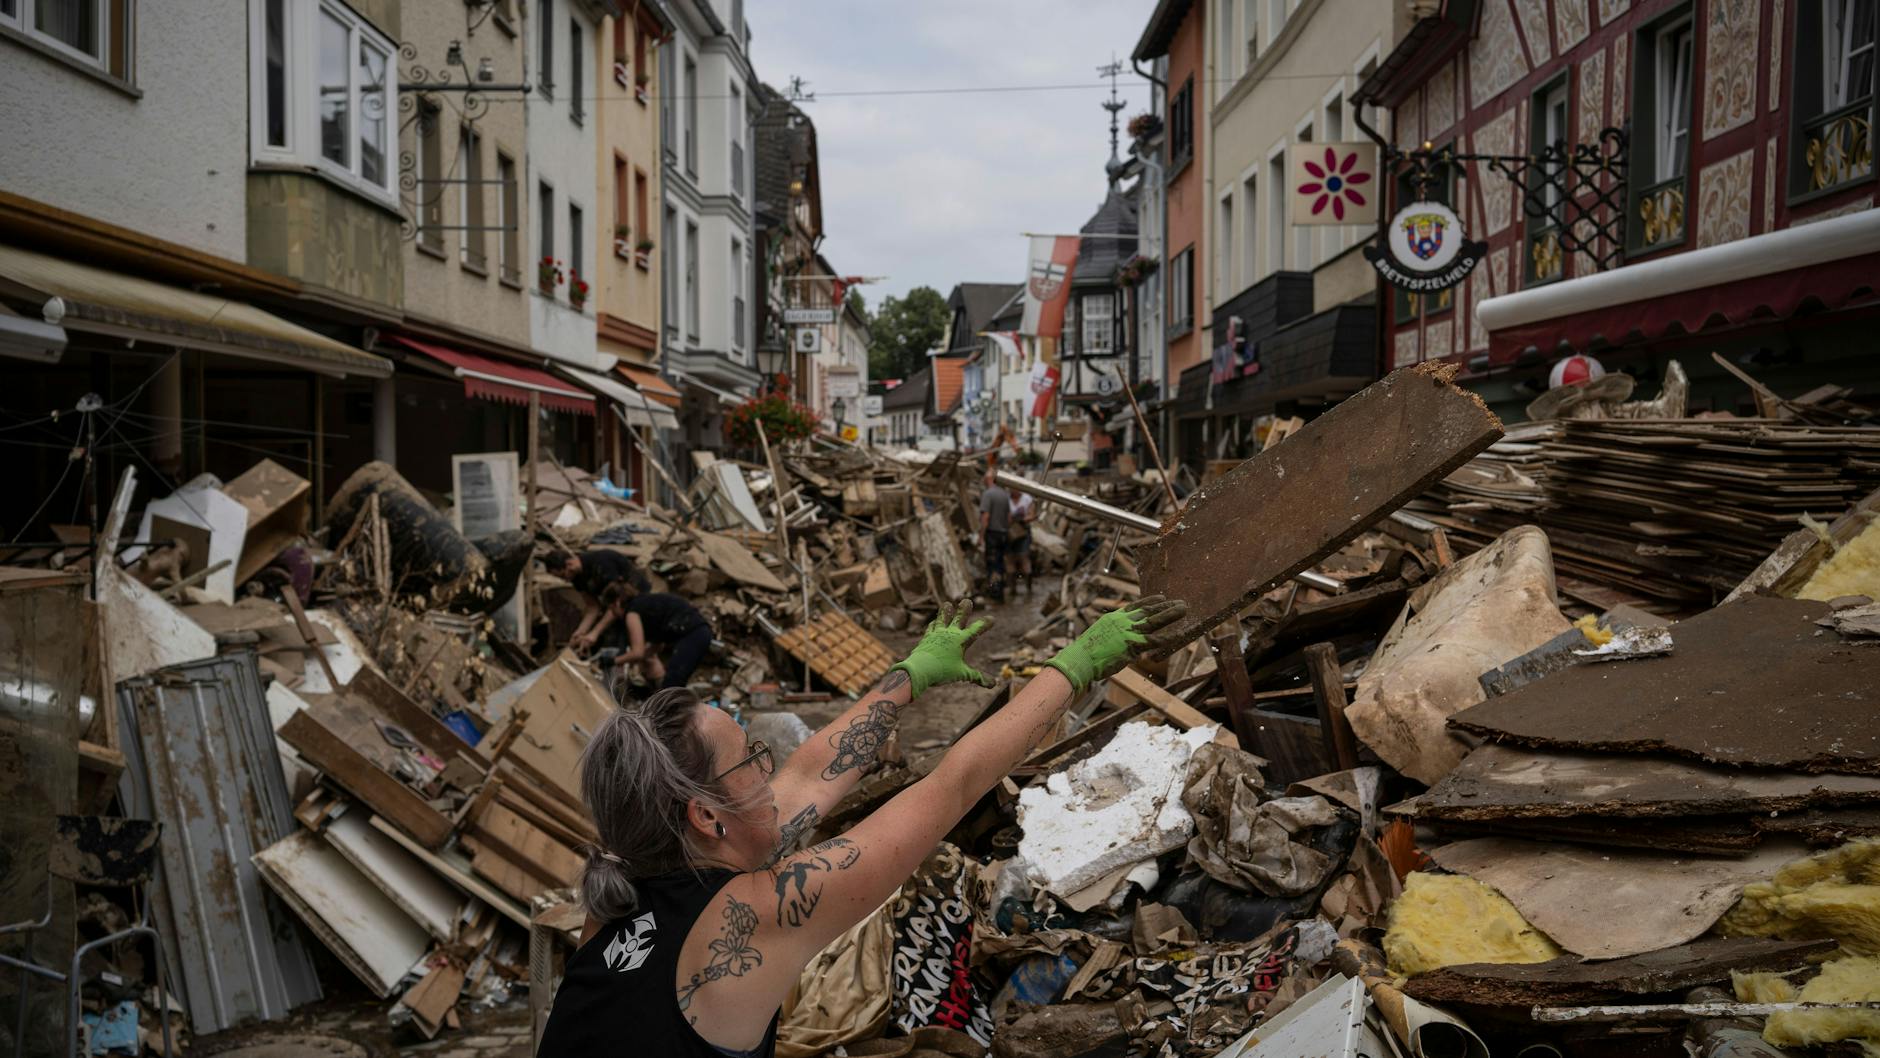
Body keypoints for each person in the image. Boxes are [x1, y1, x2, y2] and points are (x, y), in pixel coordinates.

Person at [536, 595, 1186, 1056]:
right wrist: (1074, 668)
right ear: (706, 816)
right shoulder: (755, 913)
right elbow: (951, 785)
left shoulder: (619, 889)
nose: (771, 774)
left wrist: (911, 676)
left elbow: (810, 774)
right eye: (752, 763)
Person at [599, 581, 714, 690]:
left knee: (672, 682)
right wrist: (631, 661)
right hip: (701, 632)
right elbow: (656, 647)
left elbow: (637, 652)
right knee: (673, 682)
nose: (614, 615)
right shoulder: (645, 605)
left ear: (617, 603)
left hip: (693, 633)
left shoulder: (632, 612)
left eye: (612, 609)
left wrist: (612, 661)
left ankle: (668, 709)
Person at [549, 548, 651, 654]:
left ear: (569, 564)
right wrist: (581, 631)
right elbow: (593, 607)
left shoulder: (602, 563)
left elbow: (618, 602)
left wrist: (594, 633)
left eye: (562, 575)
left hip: (635, 601)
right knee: (608, 640)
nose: (565, 580)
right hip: (616, 607)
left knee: (622, 641)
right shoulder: (576, 578)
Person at [978, 471, 1012, 602]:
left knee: (992, 564)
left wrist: (981, 536)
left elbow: (985, 517)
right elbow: (1009, 518)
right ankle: (1001, 591)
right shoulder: (1004, 494)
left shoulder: (988, 494)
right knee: (1000, 562)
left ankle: (995, 593)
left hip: (992, 533)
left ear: (988, 479)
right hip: (1003, 534)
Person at [1007, 487, 1035, 597]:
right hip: (1009, 532)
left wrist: (1023, 519)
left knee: (1024, 558)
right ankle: (1012, 589)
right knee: (1010, 559)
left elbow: (1032, 514)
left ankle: (1029, 588)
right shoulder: (1006, 499)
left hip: (1023, 531)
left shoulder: (1027, 499)